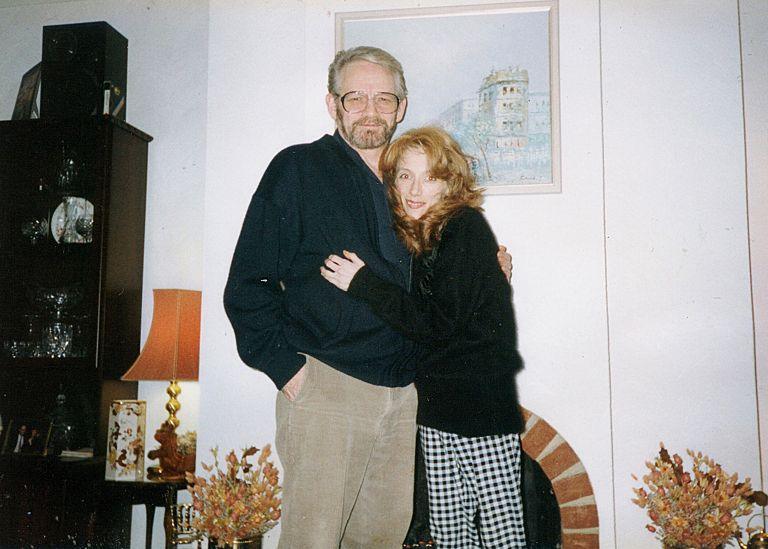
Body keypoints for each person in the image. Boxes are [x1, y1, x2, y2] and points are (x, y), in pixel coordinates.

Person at [224, 47, 511, 548]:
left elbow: (439, 287)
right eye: (356, 98)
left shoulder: (412, 181)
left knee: (380, 539)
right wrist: (287, 371)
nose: (371, 111)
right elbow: (248, 283)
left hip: (407, 396)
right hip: (328, 389)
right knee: (313, 539)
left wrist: (487, 278)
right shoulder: (298, 168)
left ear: (401, 106)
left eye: (384, 98)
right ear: (332, 104)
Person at [321, 126, 526, 548]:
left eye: (430, 177)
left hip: (480, 409)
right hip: (438, 409)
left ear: (451, 182)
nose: (415, 189)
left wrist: (364, 284)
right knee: (450, 536)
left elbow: (437, 322)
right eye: (405, 176)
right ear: (392, 181)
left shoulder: (464, 227)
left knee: (502, 535)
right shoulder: (423, 235)